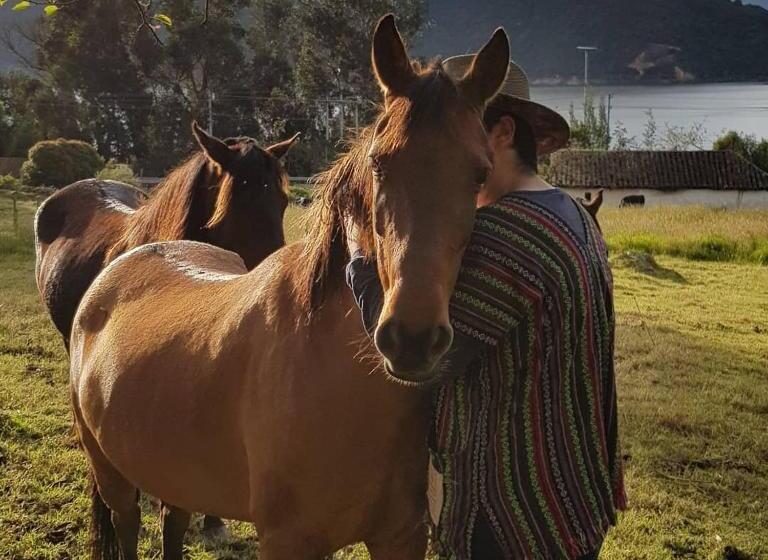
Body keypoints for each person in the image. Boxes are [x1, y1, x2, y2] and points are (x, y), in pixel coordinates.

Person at [346, 54, 625, 559]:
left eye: (459, 130)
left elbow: (425, 362)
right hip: (576, 494)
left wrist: (359, 261)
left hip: (512, 516)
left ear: (499, 133)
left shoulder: (507, 234)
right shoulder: (575, 215)